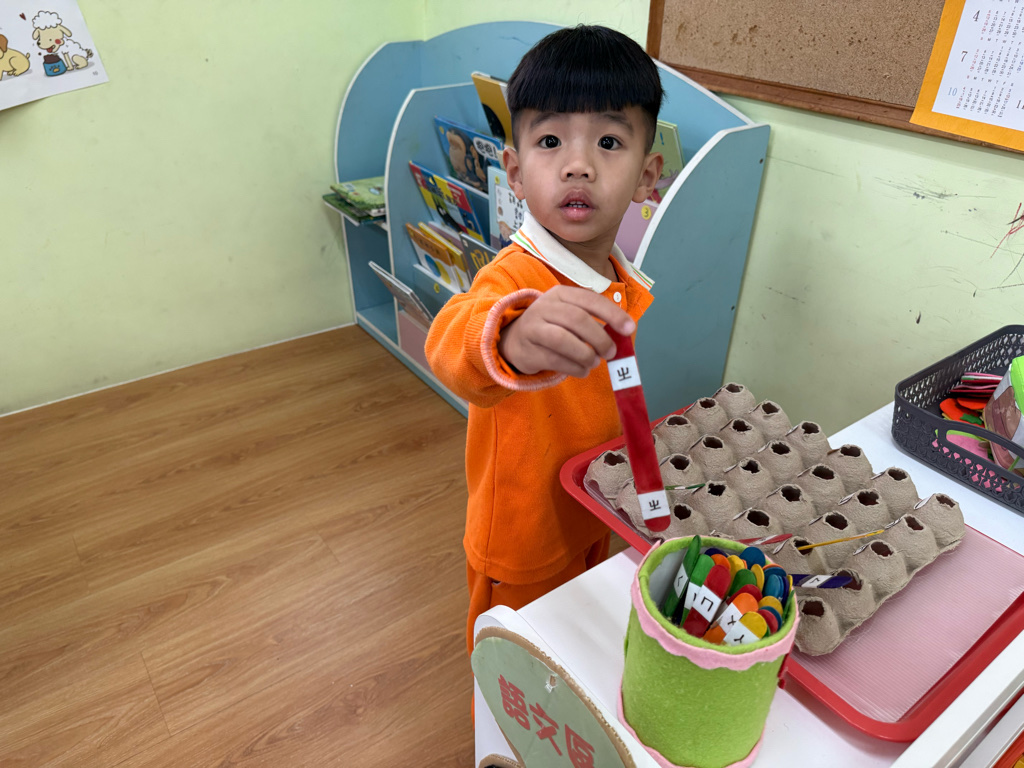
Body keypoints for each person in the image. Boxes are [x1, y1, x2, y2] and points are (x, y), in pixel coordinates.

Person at [425, 24, 665, 655]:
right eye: (550, 140)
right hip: (522, 537)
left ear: (647, 177)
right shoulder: (513, 281)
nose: (578, 164)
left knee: (573, 650)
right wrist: (507, 339)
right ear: (515, 171)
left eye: (609, 142)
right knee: (512, 664)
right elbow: (448, 340)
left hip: (591, 507)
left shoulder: (619, 280)